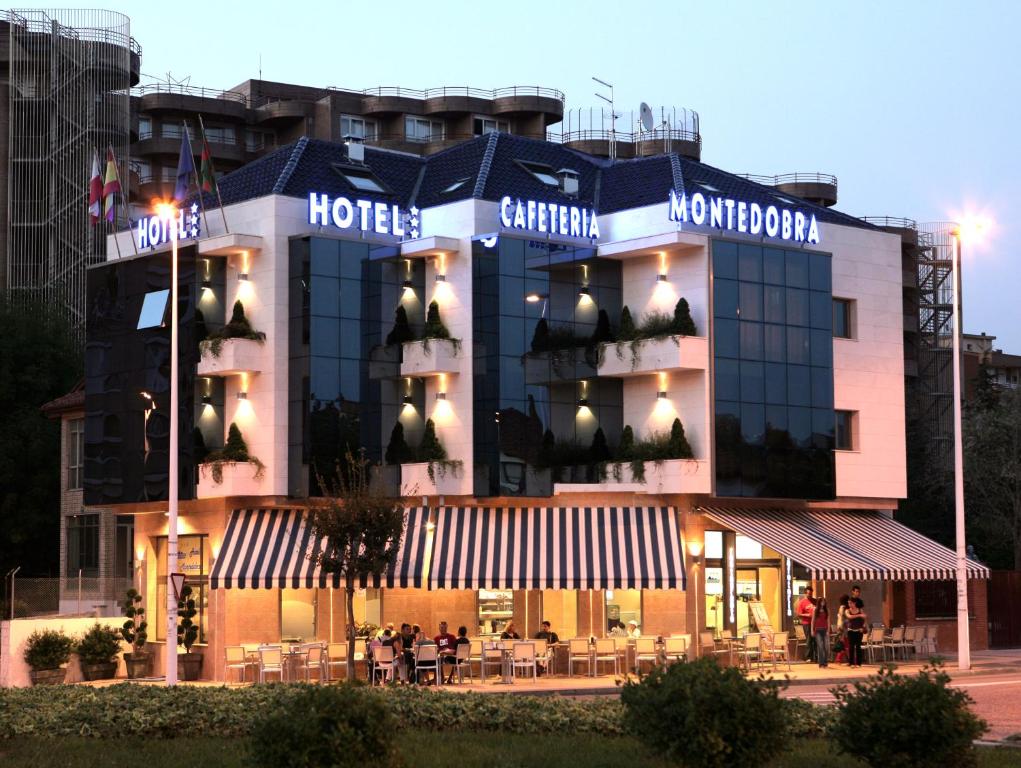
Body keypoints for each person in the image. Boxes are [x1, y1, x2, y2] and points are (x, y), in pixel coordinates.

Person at [845, 597, 867, 667]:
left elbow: (865, 618)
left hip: (859, 630)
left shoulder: (860, 610)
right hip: (850, 630)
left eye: (850, 603)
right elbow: (849, 617)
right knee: (851, 647)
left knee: (858, 647)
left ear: (854, 603)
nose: (849, 604)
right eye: (848, 603)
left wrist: (863, 627)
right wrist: (860, 615)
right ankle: (851, 663)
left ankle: (858, 663)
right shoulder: (847, 610)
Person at [796, 586, 817, 662]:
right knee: (809, 639)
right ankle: (808, 657)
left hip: (815, 623)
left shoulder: (815, 601)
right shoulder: (802, 602)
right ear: (805, 593)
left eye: (811, 594)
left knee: (815, 640)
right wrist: (807, 615)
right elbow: (798, 614)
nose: (810, 595)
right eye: (808, 594)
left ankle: (815, 656)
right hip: (807, 623)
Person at [810, 597, 830, 668]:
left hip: (825, 629)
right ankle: (821, 663)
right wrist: (812, 630)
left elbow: (828, 620)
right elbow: (813, 621)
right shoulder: (815, 610)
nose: (823, 603)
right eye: (821, 602)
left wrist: (828, 630)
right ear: (819, 602)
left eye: (824, 602)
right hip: (818, 630)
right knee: (820, 647)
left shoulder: (826, 610)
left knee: (826, 647)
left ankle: (825, 662)